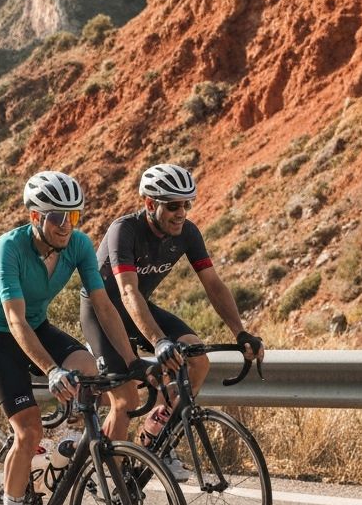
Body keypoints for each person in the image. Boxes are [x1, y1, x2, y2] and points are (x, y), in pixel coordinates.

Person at [0, 171, 153, 505]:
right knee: (28, 428)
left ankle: (54, 451)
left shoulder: (79, 245)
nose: (67, 226)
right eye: (57, 217)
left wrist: (132, 361)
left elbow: (104, 306)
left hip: (36, 326)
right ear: (35, 217)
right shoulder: (9, 247)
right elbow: (14, 319)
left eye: (73, 216)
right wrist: (52, 370)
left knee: (87, 368)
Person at [79, 163, 265, 480]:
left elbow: (213, 284)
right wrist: (159, 341)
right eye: (173, 206)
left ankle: (156, 440)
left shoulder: (187, 233)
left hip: (139, 308)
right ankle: (110, 479)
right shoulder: (124, 230)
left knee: (198, 361)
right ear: (150, 203)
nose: (181, 213)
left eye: (186, 204)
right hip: (102, 313)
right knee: (126, 400)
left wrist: (241, 332)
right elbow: (127, 292)